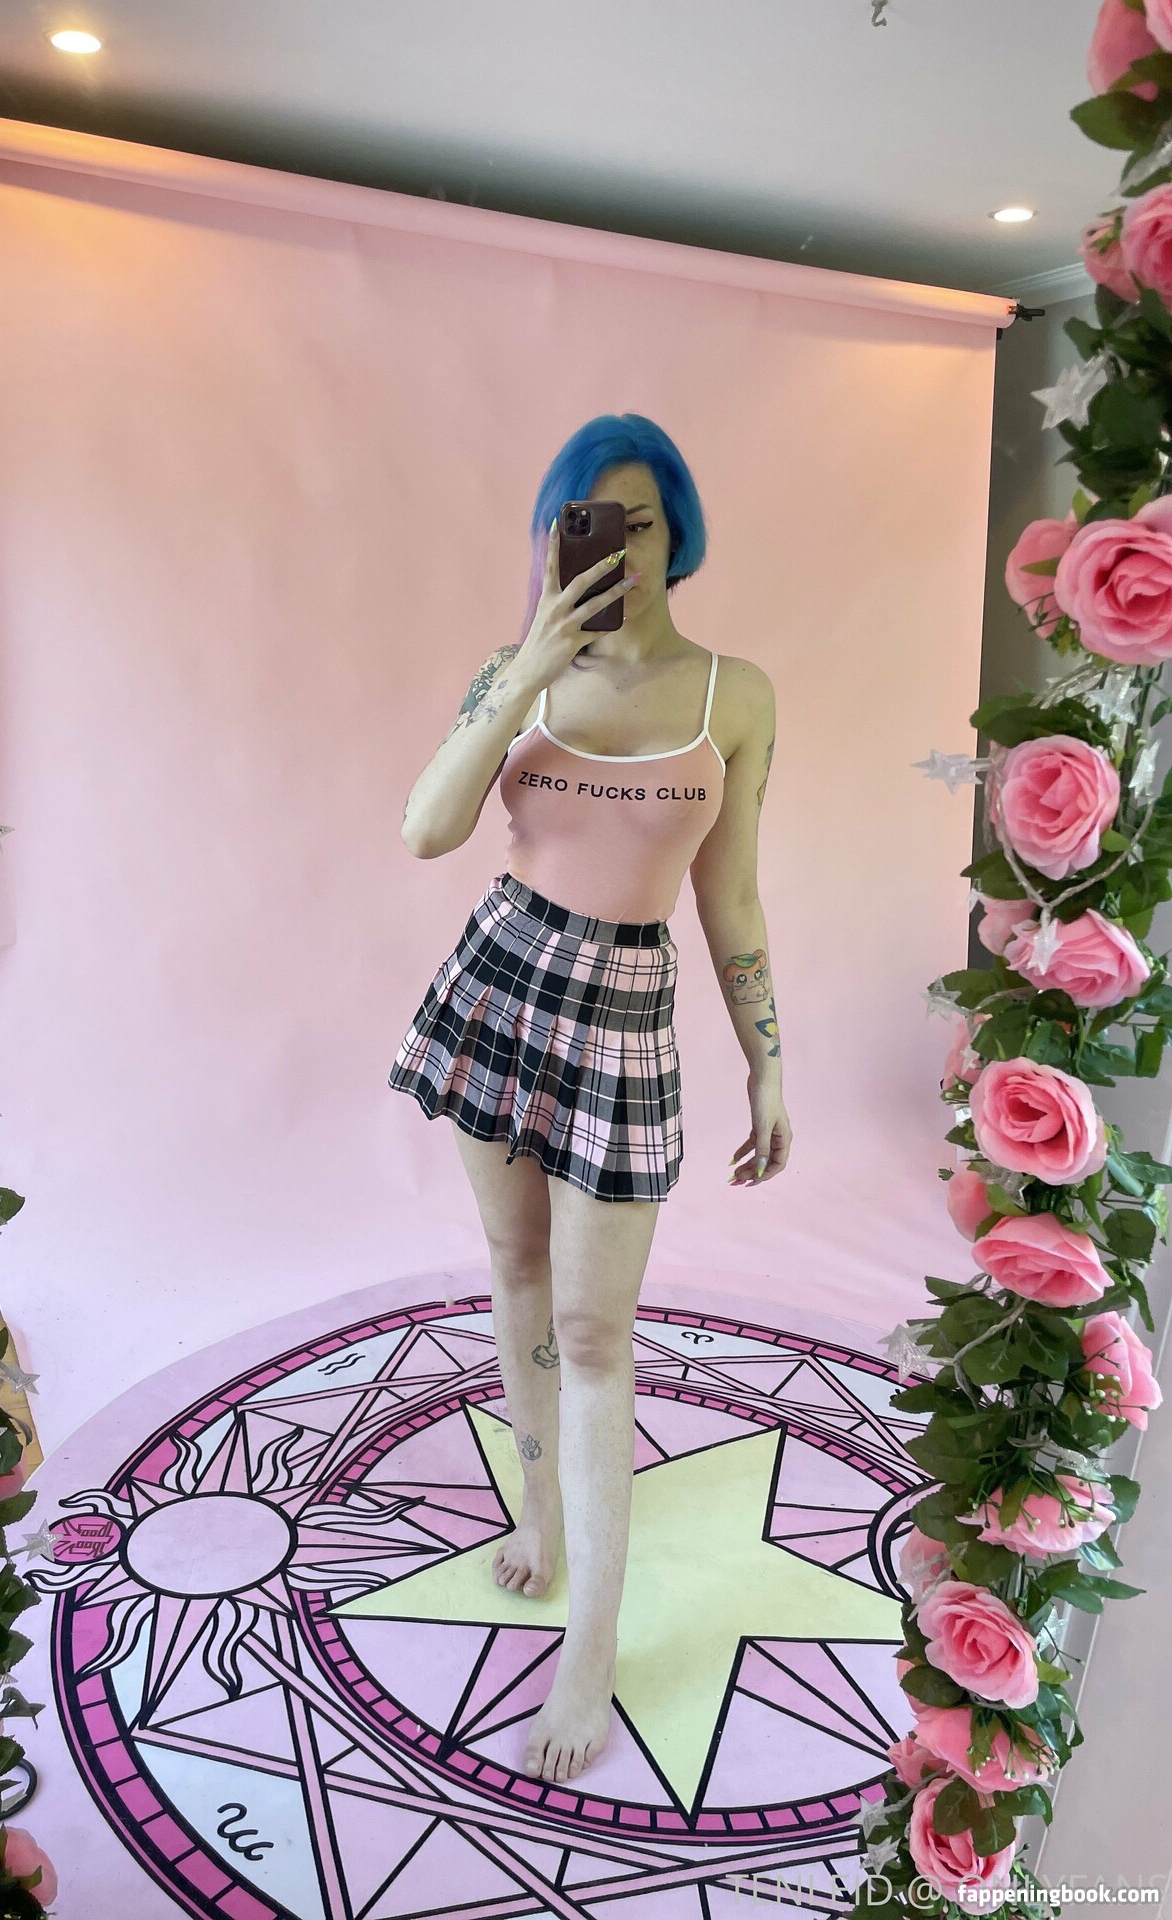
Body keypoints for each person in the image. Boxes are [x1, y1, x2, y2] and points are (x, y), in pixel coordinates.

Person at [387, 412, 791, 1788]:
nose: (618, 551)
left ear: (680, 534)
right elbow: (427, 829)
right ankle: (540, 1519)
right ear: (556, 539)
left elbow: (731, 893)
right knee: (515, 1274)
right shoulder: (519, 678)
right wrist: (522, 678)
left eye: (641, 524)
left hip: (623, 1012)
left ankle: (591, 1646)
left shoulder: (736, 696)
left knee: (595, 1329)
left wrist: (769, 1057)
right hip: (499, 985)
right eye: (588, 526)